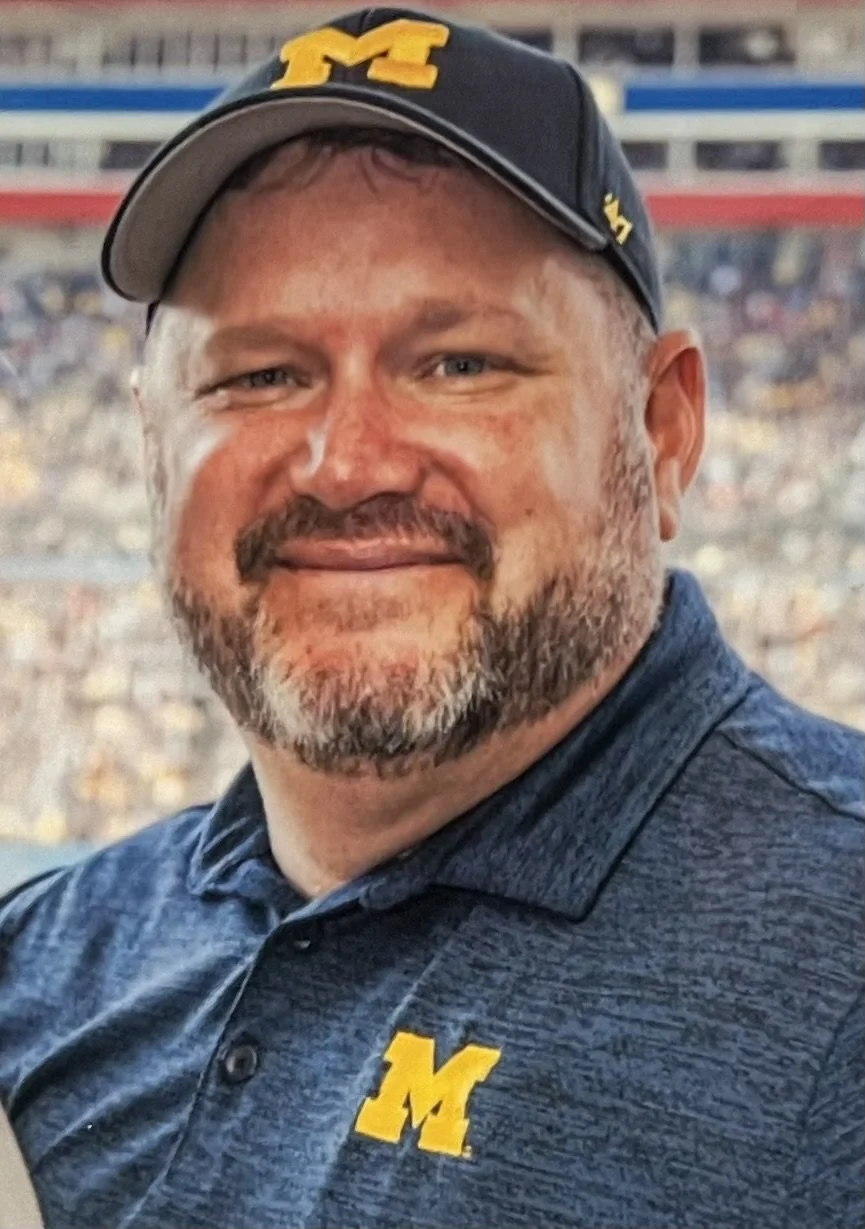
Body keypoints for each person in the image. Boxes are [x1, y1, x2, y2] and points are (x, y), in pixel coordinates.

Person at [1, 9, 862, 1229]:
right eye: (259, 375)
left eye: (459, 363)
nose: (347, 463)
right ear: (151, 446)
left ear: (661, 431)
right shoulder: (40, 967)